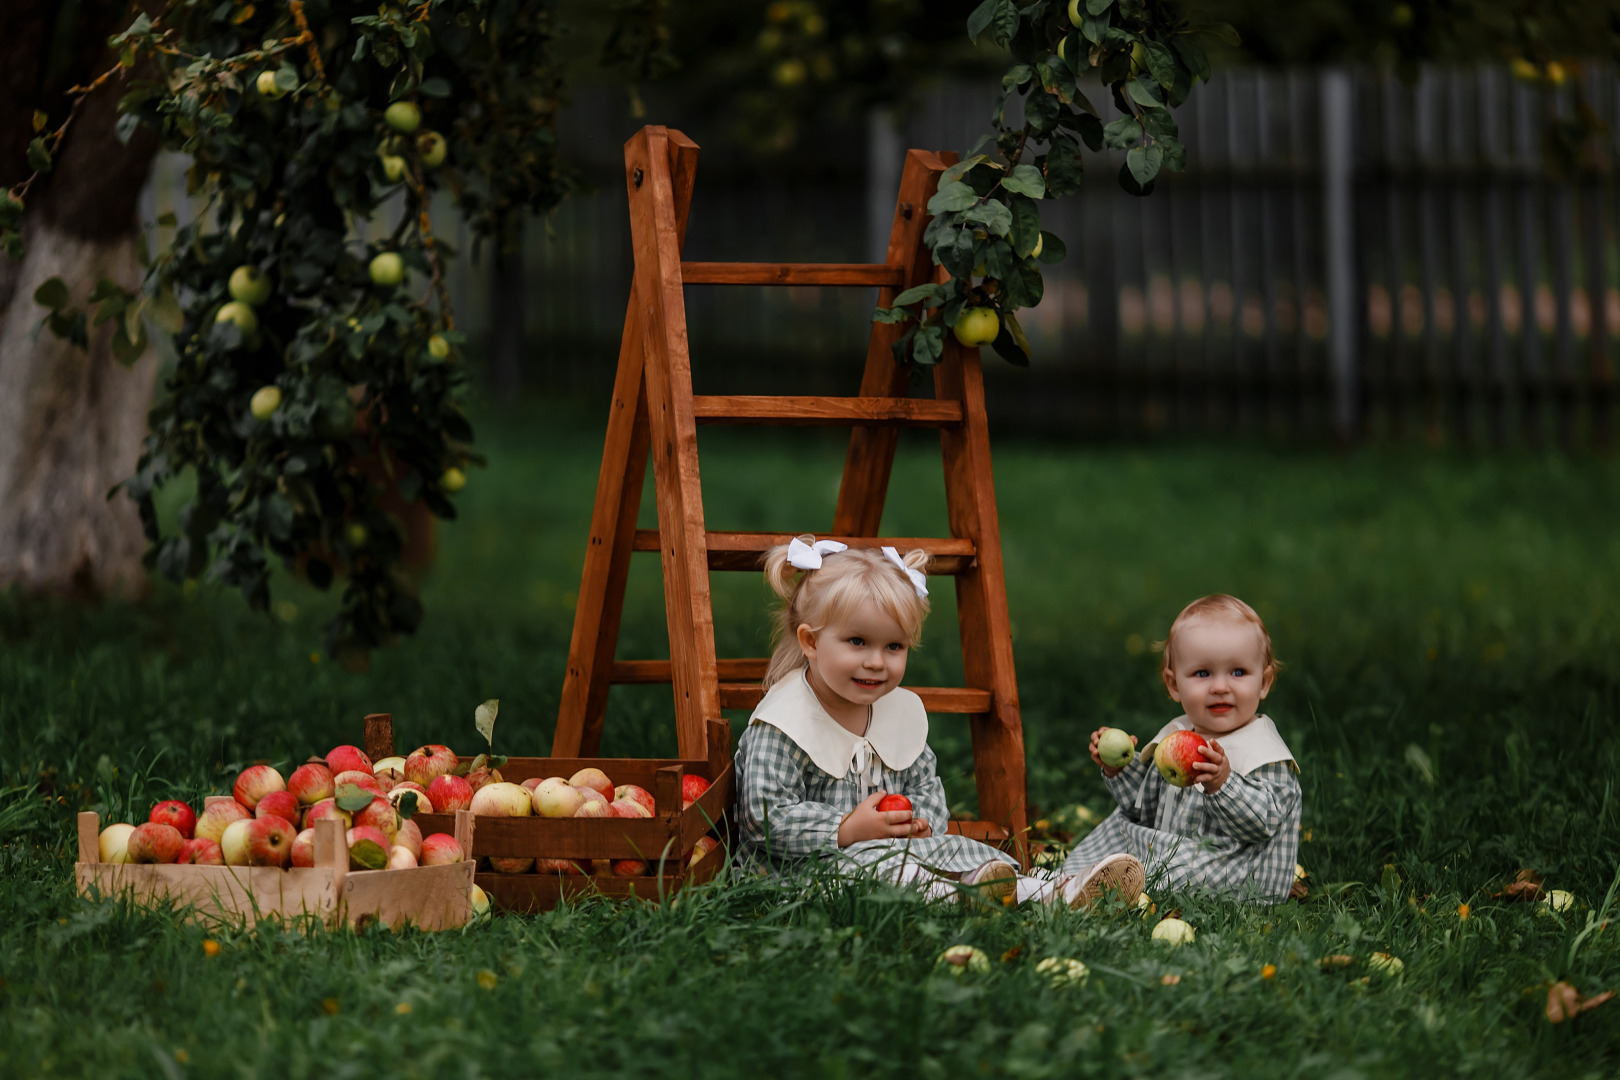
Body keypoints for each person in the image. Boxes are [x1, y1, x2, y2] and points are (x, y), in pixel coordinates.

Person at [734, 536, 1142, 907]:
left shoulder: (894, 712)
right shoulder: (784, 723)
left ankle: (1054, 891)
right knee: (879, 872)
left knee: (960, 850)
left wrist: (921, 821)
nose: (876, 661)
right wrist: (846, 828)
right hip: (805, 870)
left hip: (896, 850)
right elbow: (764, 818)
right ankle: (966, 896)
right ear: (810, 641)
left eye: (894, 646)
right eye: (857, 642)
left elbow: (926, 786)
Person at [1062, 594, 1302, 904]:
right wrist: (1119, 768)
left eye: (1238, 672)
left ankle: (1095, 887)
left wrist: (1223, 784)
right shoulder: (1178, 738)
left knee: (1162, 865)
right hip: (1175, 850)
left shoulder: (1266, 754)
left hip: (1234, 873)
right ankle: (1060, 883)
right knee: (1122, 827)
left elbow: (1264, 824)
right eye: (1203, 674)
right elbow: (1144, 809)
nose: (1219, 686)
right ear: (1174, 685)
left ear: (1265, 682)